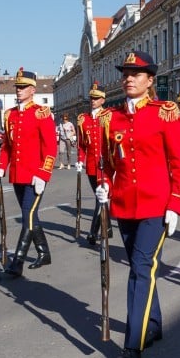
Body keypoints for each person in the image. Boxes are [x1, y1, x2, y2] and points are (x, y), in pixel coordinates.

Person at [94, 50, 180, 358]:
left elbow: (179, 164)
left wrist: (177, 202)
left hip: (156, 206)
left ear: (150, 81)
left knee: (139, 267)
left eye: (136, 74)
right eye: (126, 74)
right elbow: (106, 162)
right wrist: (104, 183)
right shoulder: (111, 118)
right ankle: (155, 323)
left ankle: (133, 344)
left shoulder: (166, 113)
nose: (128, 78)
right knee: (143, 268)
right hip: (124, 204)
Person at [0, 68, 57, 278]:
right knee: (30, 215)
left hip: (35, 175)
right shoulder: (10, 114)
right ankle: (44, 252)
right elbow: (7, 146)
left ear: (32, 89)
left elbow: (50, 148)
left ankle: (17, 262)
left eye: (23, 87)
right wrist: (2, 166)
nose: (19, 90)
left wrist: (43, 173)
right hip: (18, 174)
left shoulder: (42, 113)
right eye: (17, 87)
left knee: (28, 216)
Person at [76, 82, 111, 245]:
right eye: (91, 98)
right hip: (91, 166)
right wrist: (79, 160)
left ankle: (92, 232)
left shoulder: (109, 116)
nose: (93, 101)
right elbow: (82, 144)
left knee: (101, 199)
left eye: (97, 98)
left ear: (103, 100)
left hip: (106, 166)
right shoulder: (84, 119)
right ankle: (108, 228)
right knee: (100, 198)